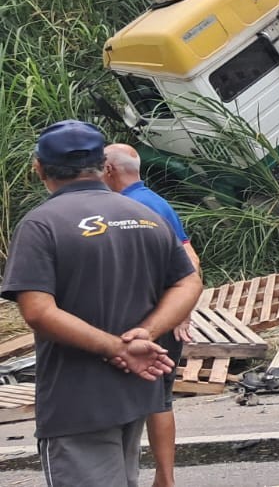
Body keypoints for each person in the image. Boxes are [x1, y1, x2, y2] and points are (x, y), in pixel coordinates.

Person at [2, 121, 201, 487]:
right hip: (136, 391)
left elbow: (38, 312)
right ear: (101, 165)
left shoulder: (41, 225)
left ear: (39, 168)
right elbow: (188, 280)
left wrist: (116, 348)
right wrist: (146, 333)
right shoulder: (145, 216)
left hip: (77, 401)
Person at [103, 143, 200, 487]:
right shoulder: (156, 202)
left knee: (154, 400)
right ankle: (163, 478)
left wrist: (178, 311)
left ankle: (163, 479)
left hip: (148, 322)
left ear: (109, 170)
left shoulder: (127, 209)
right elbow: (190, 258)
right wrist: (182, 309)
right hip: (164, 318)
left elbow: (189, 262)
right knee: (160, 400)